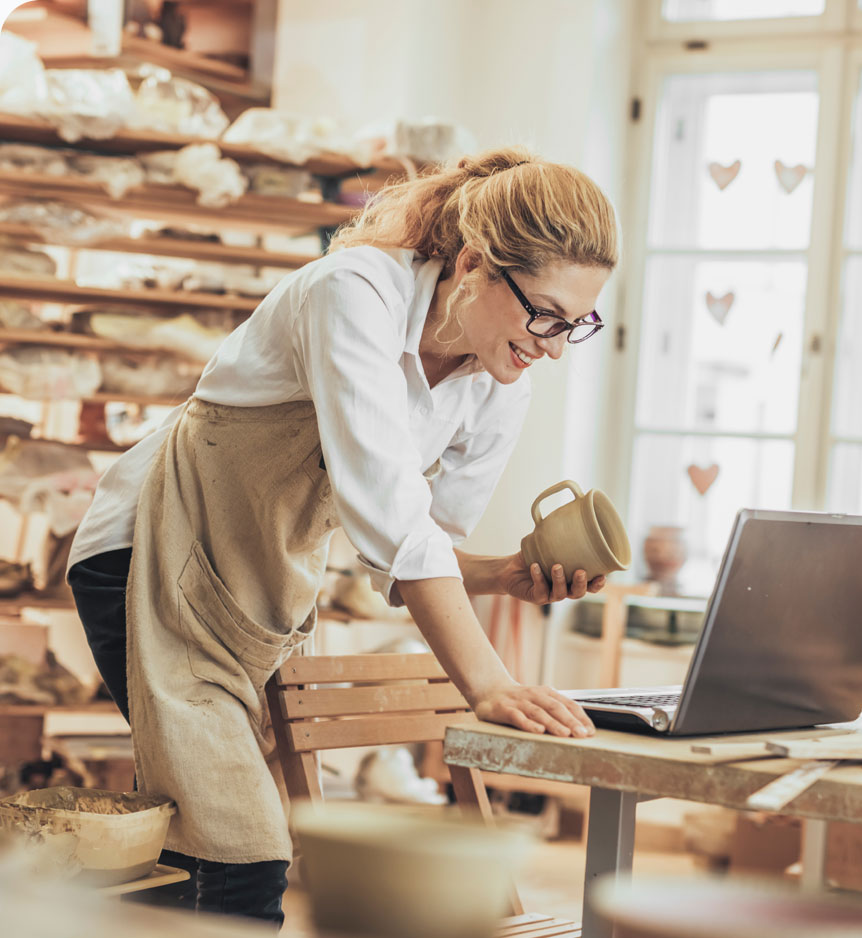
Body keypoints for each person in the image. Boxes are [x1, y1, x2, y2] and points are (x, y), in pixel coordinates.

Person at [66, 146, 619, 925]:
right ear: (473, 264)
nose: (554, 346)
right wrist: (490, 684)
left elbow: (409, 555)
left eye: (577, 324)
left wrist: (505, 575)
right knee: (237, 849)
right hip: (145, 559)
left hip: (255, 598)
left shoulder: (499, 384)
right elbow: (394, 523)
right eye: (546, 314)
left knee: (209, 844)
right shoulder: (353, 291)